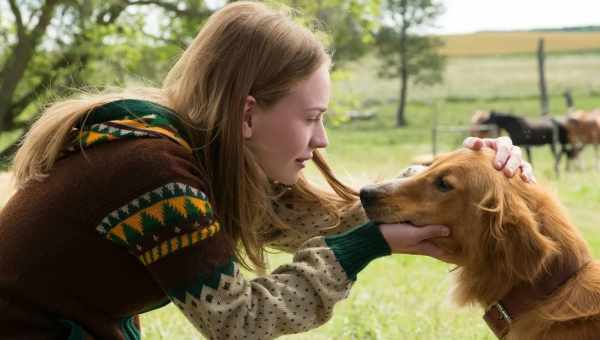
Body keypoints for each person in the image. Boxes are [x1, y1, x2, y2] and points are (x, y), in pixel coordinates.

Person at [0, 2, 533, 339]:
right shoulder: (155, 174)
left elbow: (326, 219)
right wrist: (371, 243)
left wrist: (461, 171)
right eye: (310, 119)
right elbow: (240, 321)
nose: (321, 139)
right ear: (249, 113)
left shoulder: (198, 151)